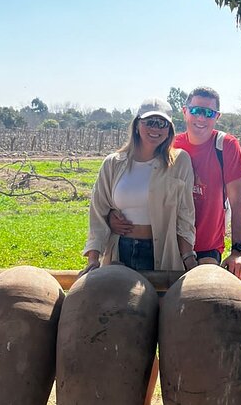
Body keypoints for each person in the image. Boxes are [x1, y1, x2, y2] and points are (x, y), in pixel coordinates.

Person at [112, 86, 241, 279]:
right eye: (195, 111)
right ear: (185, 112)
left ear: (217, 117)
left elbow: (237, 204)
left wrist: (238, 251)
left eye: (208, 113)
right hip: (167, 245)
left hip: (206, 246)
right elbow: (143, 188)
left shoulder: (225, 146)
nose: (201, 118)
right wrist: (112, 215)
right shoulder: (168, 146)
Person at [82, 97, 196, 275]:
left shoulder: (180, 161)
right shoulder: (113, 163)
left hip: (162, 253)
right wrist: (93, 259)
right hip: (120, 253)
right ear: (136, 125)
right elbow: (98, 213)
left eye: (162, 124)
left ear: (169, 130)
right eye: (149, 122)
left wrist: (188, 257)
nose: (155, 128)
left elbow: (185, 214)